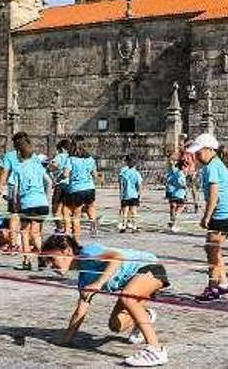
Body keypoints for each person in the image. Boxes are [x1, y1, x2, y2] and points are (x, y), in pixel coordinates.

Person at [41, 234, 170, 367]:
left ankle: (156, 350)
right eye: (47, 261)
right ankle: (146, 316)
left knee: (127, 297)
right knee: (116, 325)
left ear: (67, 251)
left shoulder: (88, 252)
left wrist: (99, 283)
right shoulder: (84, 279)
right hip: (132, 282)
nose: (50, 265)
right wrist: (66, 340)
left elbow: (117, 257)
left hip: (149, 267)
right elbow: (80, 311)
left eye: (52, 258)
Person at [187, 134, 228, 302]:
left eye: (199, 152)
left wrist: (206, 217)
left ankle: (213, 287)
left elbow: (213, 195)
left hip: (222, 213)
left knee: (212, 250)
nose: (197, 156)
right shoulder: (216, 165)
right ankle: (223, 284)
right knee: (213, 250)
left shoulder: (212, 167)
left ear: (210, 150)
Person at [9, 133, 52, 270]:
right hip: (42, 202)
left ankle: (27, 261)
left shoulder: (18, 168)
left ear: (18, 153)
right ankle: (44, 258)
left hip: (27, 203)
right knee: (36, 233)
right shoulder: (38, 165)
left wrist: (15, 204)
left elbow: (15, 190)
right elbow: (49, 182)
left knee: (24, 232)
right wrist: (46, 197)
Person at [63, 137, 99, 242]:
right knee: (90, 207)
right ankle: (93, 224)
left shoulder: (70, 159)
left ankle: (76, 241)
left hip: (76, 189)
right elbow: (95, 175)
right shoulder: (90, 159)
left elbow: (65, 174)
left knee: (76, 215)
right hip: (90, 188)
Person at [0, 132, 28, 250]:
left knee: (14, 216)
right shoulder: (32, 155)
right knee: (25, 218)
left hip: (14, 188)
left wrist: (0, 187)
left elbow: (4, 172)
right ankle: (24, 243)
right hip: (29, 189)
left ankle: (14, 242)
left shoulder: (9, 156)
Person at [49, 139, 72, 233]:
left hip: (60, 185)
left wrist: (50, 167)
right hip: (70, 185)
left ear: (62, 149)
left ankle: (59, 227)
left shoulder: (60, 156)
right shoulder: (72, 157)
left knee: (55, 209)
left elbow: (54, 166)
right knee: (66, 209)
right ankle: (68, 229)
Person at [118, 155, 143, 233]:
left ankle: (124, 226)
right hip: (134, 195)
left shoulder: (123, 173)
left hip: (125, 195)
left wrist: (121, 194)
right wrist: (139, 194)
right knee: (133, 212)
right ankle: (134, 227)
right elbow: (139, 185)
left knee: (125, 212)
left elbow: (121, 185)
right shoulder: (136, 173)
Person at [164, 159, 186, 233]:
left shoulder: (172, 172)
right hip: (179, 193)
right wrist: (183, 186)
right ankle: (174, 221)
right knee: (180, 207)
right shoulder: (180, 173)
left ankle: (172, 222)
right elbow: (180, 181)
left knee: (172, 208)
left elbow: (167, 179)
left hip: (172, 192)